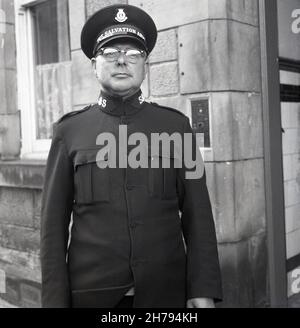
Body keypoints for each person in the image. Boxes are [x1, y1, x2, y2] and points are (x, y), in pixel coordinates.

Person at [40, 4, 222, 308]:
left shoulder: (176, 127)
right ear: (94, 65)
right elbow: (52, 228)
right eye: (110, 53)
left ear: (146, 64)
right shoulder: (69, 132)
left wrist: (201, 288)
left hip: (166, 294)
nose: (122, 61)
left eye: (133, 54)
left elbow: (198, 215)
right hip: (93, 296)